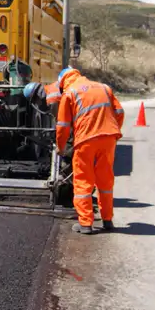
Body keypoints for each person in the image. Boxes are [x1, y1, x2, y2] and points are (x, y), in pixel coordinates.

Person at [54, 67, 125, 235]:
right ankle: (107, 220)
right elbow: (120, 111)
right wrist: (113, 131)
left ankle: (86, 223)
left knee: (83, 180)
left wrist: (61, 147)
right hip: (108, 138)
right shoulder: (103, 87)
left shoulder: (69, 93)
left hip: (86, 140)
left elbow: (63, 126)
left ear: (63, 82)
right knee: (105, 180)